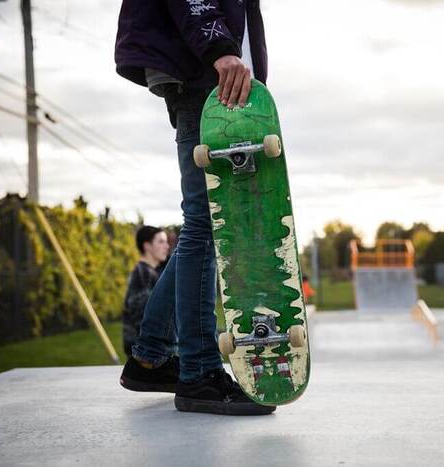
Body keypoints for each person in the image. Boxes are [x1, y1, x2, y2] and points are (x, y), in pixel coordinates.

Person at [114, 0, 274, 415]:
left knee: (202, 227)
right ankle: (199, 373)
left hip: (214, 84)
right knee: (205, 227)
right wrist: (219, 48)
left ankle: (150, 356)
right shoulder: (212, 56)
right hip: (206, 80)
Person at [122, 226, 170, 357]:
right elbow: (143, 316)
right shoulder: (143, 273)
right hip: (145, 354)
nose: (166, 246)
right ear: (147, 246)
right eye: (161, 241)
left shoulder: (150, 272)